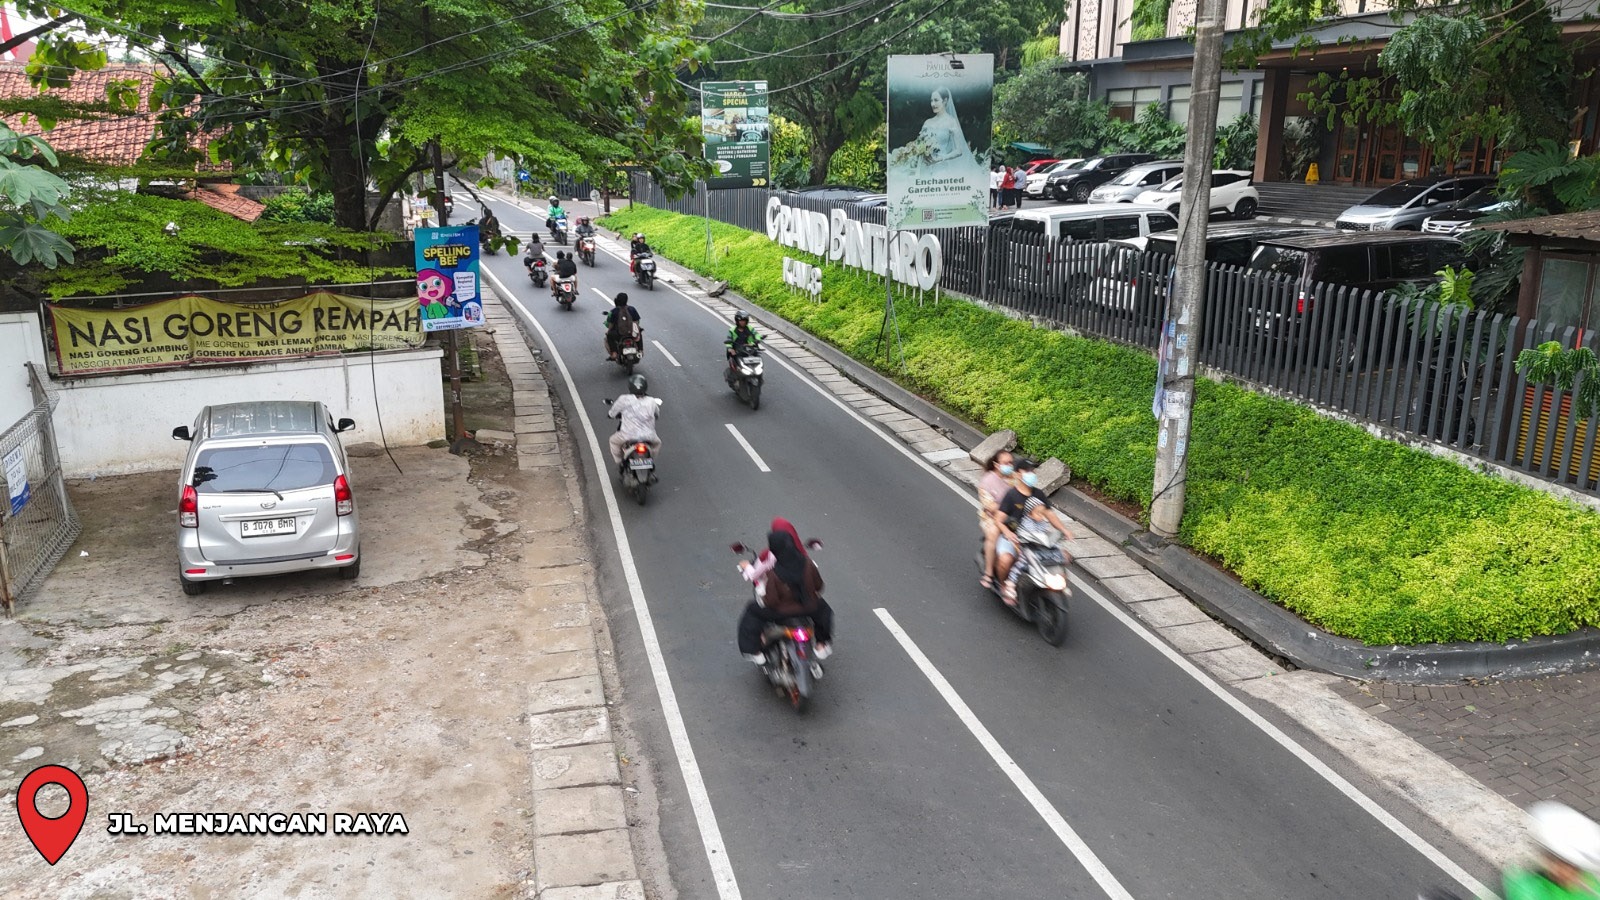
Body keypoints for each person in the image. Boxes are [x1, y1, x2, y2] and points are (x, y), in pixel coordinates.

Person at [736, 517, 835, 663]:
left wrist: (763, 599)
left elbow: (771, 600)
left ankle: (754, 651)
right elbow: (819, 586)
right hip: (809, 608)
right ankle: (821, 644)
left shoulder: (774, 573)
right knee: (825, 610)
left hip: (780, 612)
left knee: (752, 611)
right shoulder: (807, 563)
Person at [993, 459, 1075, 605]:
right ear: (1017, 474)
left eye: (1032, 471)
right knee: (1006, 560)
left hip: (1036, 539)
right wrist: (1008, 533)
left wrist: (1064, 530)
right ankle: (1005, 585)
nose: (1031, 474)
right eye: (1027, 471)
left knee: (1062, 557)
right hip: (1013, 537)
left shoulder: (1039, 494)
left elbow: (1050, 515)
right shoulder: (1011, 495)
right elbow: (999, 520)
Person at [1494, 802, 1600, 899]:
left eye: (1575, 868)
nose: (1570, 874)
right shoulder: (1525, 890)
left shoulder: (1591, 887)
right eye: (1562, 864)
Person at [978, 449, 1017, 590]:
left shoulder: (1015, 478)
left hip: (1014, 515)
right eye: (1006, 463)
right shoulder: (987, 482)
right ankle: (989, 573)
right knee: (994, 532)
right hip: (992, 518)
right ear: (996, 464)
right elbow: (990, 507)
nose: (1009, 465)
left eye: (1011, 462)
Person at [606, 373, 662, 467]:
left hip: (627, 435)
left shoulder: (623, 399)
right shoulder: (651, 401)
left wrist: (610, 415)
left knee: (613, 441)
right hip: (649, 436)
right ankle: (650, 460)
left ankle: (620, 462)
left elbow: (612, 413)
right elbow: (657, 414)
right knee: (657, 444)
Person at [604, 292, 642, 360]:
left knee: (609, 336)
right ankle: (640, 350)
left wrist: (608, 331)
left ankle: (614, 353)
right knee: (639, 333)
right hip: (631, 334)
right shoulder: (632, 309)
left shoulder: (614, 311)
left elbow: (611, 325)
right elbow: (637, 321)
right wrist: (636, 329)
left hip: (619, 334)